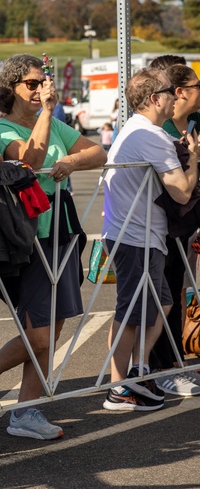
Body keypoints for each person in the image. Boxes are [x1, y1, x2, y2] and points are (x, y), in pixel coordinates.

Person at [0, 54, 105, 438]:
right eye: (30, 84)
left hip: (61, 231)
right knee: (40, 333)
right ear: (10, 87)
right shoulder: (2, 129)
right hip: (27, 235)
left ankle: (26, 413)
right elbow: (29, 161)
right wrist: (47, 112)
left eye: (41, 83)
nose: (39, 89)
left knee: (55, 325)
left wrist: (72, 161)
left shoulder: (57, 126)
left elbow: (99, 152)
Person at [102, 68, 200, 412]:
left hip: (140, 235)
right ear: (154, 99)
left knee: (162, 302)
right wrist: (195, 159)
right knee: (130, 311)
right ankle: (118, 387)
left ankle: (139, 369)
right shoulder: (150, 135)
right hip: (134, 237)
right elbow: (183, 192)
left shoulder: (141, 130)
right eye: (170, 92)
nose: (176, 97)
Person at [146, 64, 200, 396]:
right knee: (158, 296)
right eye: (197, 84)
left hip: (187, 222)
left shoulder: (195, 123)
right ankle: (159, 366)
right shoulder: (158, 129)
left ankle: (176, 360)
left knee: (178, 291)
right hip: (159, 224)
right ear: (179, 92)